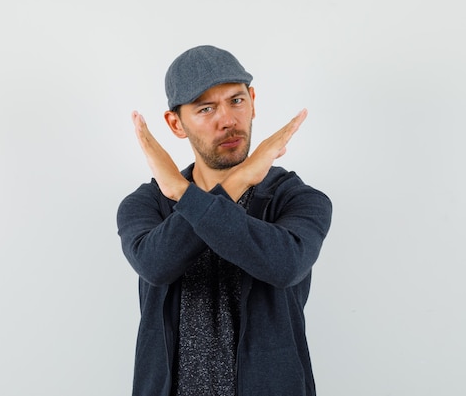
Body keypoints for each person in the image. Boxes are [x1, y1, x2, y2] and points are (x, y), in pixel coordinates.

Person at [117, 45, 332, 396]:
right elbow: (155, 264)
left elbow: (285, 265)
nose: (228, 120)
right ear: (176, 124)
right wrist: (239, 179)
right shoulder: (148, 203)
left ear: (253, 101)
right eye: (205, 108)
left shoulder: (296, 198)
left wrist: (185, 194)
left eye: (236, 100)